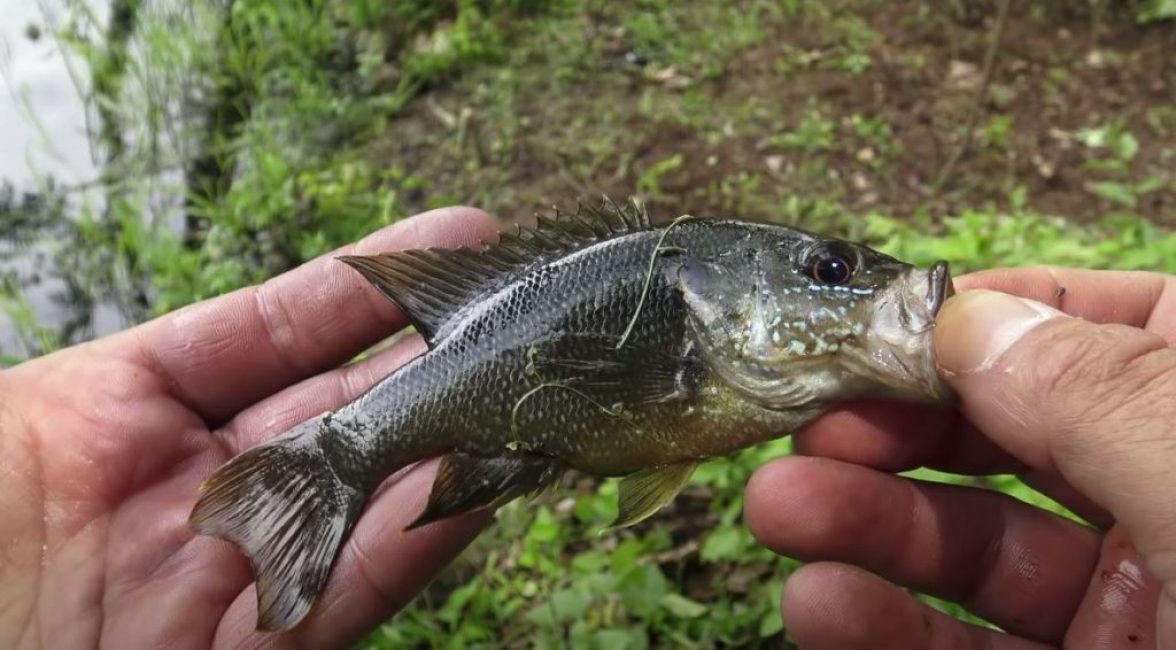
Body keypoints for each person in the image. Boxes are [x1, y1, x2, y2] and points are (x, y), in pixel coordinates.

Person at [0, 208, 1171, 649]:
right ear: (730, 293)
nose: (859, 284)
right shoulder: (692, 317)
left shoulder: (742, 352)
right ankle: (335, 457)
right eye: (826, 270)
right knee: (354, 443)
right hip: (448, 401)